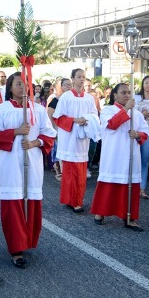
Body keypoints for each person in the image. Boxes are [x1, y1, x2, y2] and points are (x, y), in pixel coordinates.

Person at [0, 73, 56, 268]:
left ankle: (27, 240)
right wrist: (15, 132)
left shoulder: (38, 110)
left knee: (31, 201)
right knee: (13, 204)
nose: (22, 87)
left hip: (32, 161)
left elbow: (50, 133)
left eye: (25, 83)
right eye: (18, 84)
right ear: (10, 87)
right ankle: (16, 248)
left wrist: (35, 142)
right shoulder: (1, 110)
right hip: (10, 163)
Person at [91, 83, 149, 231]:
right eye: (123, 92)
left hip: (131, 155)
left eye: (129, 92)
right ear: (115, 95)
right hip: (113, 155)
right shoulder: (108, 110)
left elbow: (145, 132)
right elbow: (111, 124)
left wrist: (138, 135)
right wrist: (125, 109)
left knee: (130, 185)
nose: (127, 95)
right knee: (109, 183)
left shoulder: (137, 114)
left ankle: (129, 216)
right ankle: (101, 212)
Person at [52, 68, 99, 213]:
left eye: (83, 77)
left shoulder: (89, 98)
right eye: (78, 77)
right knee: (70, 173)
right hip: (69, 139)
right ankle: (72, 201)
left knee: (80, 173)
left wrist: (88, 121)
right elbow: (58, 118)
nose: (81, 79)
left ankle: (75, 200)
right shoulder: (66, 97)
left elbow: (95, 116)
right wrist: (74, 120)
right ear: (72, 79)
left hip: (82, 140)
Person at [48, 78, 72, 181]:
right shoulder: (56, 100)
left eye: (70, 84)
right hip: (58, 129)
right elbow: (49, 115)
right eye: (66, 85)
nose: (68, 86)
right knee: (59, 151)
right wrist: (54, 129)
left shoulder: (74, 100)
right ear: (61, 87)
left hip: (70, 130)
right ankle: (60, 171)